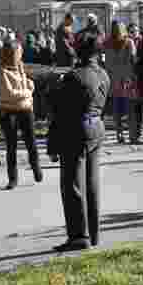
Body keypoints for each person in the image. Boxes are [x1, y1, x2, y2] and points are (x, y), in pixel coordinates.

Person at [48, 32, 110, 250]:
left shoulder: (74, 77)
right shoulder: (102, 74)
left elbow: (60, 112)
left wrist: (52, 144)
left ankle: (78, 236)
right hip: (96, 127)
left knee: (73, 184)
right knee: (92, 184)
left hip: (76, 130)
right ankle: (93, 233)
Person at [0, 41, 42, 189]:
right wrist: (28, 92)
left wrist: (29, 83)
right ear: (12, 54)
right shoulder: (1, 70)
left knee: (31, 142)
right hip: (8, 111)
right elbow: (8, 93)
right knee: (11, 146)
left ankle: (36, 166)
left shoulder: (19, 66)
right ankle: (13, 178)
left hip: (25, 109)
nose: (21, 54)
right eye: (19, 52)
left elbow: (23, 82)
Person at [106, 22, 139, 143]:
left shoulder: (108, 43)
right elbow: (134, 60)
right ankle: (132, 135)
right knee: (130, 109)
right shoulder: (129, 42)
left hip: (115, 80)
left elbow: (107, 63)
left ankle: (119, 134)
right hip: (127, 79)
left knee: (117, 109)